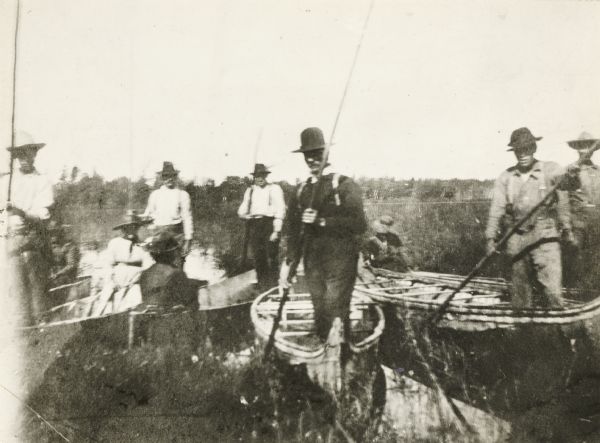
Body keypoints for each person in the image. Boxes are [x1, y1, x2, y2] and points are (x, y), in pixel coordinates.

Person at [280, 127, 367, 342]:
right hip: (312, 259)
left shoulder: (344, 184)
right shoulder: (300, 190)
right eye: (307, 156)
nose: (312, 160)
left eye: (317, 154)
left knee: (335, 306)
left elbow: (359, 224)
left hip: (341, 257)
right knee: (319, 308)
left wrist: (322, 221)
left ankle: (342, 354)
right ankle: (322, 356)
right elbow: (292, 230)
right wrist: (289, 263)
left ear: (327, 154)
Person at [485, 127, 577, 309]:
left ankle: (558, 331)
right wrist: (489, 239)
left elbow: (567, 184)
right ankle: (525, 332)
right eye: (518, 150)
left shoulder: (550, 169)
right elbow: (496, 209)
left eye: (527, 149)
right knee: (520, 297)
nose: (523, 154)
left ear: (534, 148)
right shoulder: (506, 177)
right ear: (514, 152)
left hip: (545, 238)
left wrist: (573, 176)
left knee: (552, 293)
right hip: (516, 240)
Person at [0, 131, 53, 325]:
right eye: (19, 154)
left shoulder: (42, 181)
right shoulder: (5, 182)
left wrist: (21, 212)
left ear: (35, 154)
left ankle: (44, 328)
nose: (24, 158)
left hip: (34, 243)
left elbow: (44, 215)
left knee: (38, 294)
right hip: (10, 244)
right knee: (16, 298)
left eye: (28, 153)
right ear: (14, 156)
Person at [238, 163, 286, 289]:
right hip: (254, 225)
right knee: (258, 258)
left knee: (271, 257)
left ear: (266, 176)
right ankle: (262, 286)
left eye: (262, 175)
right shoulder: (250, 190)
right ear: (254, 177)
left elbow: (280, 210)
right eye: (257, 176)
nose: (260, 178)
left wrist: (277, 230)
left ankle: (274, 287)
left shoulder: (274, 189)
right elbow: (241, 210)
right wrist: (245, 216)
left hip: (269, 224)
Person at [563, 131, 600, 290]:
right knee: (577, 259)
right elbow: (563, 195)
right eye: (581, 146)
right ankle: (576, 293)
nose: (585, 149)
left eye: (587, 145)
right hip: (578, 223)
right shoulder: (570, 170)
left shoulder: (598, 171)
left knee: (595, 260)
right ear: (577, 148)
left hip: (597, 222)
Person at [143, 161, 193, 261]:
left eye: (172, 175)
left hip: (176, 236)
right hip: (158, 235)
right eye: (166, 176)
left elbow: (187, 218)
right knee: (158, 266)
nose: (169, 178)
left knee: (176, 267)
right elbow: (148, 215)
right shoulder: (155, 195)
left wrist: (188, 241)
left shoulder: (182, 194)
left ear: (176, 177)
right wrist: (145, 222)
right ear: (162, 178)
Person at [139, 230, 197, 309]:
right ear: (171, 254)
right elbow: (185, 298)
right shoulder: (176, 272)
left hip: (150, 314)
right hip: (170, 316)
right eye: (175, 251)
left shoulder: (144, 273)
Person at [48, 222, 80, 287]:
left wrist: (58, 274)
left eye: (54, 232)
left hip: (67, 279)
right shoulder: (51, 246)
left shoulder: (69, 246)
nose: (52, 236)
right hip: (54, 279)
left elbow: (71, 265)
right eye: (50, 233)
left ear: (61, 233)